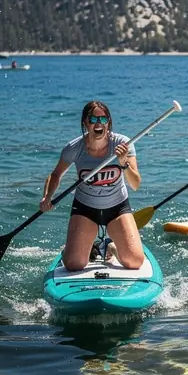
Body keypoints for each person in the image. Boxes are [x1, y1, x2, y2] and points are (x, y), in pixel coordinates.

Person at [40, 100, 144, 271]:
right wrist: (47, 197)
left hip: (117, 208)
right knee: (74, 264)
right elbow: (56, 174)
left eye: (103, 120)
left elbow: (136, 184)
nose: (98, 124)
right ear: (85, 123)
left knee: (134, 262)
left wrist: (124, 162)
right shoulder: (74, 148)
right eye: (93, 120)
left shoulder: (122, 144)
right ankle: (81, 248)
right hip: (85, 209)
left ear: (108, 123)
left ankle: (111, 247)